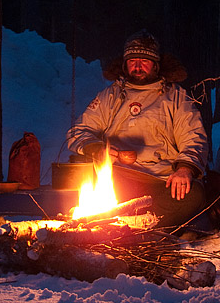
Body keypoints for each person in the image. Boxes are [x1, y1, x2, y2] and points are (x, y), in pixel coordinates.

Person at [66, 30, 209, 232]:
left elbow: (194, 138)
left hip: (162, 181)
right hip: (119, 177)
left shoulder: (176, 97)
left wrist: (185, 169)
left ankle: (131, 227)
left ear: (156, 65)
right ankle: (145, 228)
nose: (138, 66)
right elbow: (78, 131)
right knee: (79, 183)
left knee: (193, 195)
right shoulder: (111, 96)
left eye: (145, 60)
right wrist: (96, 148)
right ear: (125, 63)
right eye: (133, 60)